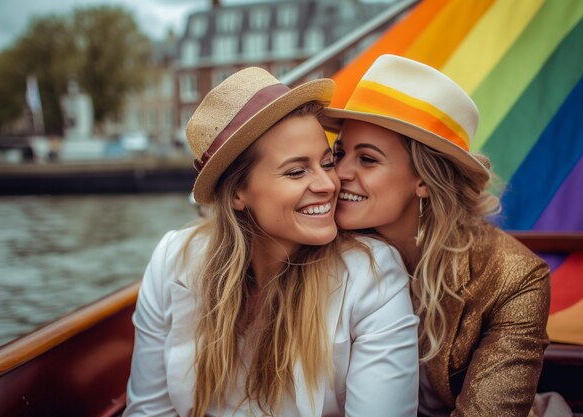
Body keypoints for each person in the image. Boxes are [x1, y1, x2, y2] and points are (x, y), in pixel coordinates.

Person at [123, 66, 419, 417]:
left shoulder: (371, 274)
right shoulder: (174, 259)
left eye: (327, 162)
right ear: (237, 193)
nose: (328, 184)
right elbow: (148, 410)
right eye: (297, 171)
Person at [320, 55, 551, 416]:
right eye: (339, 153)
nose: (340, 173)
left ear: (424, 179)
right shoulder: (319, 240)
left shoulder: (514, 278)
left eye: (367, 159)